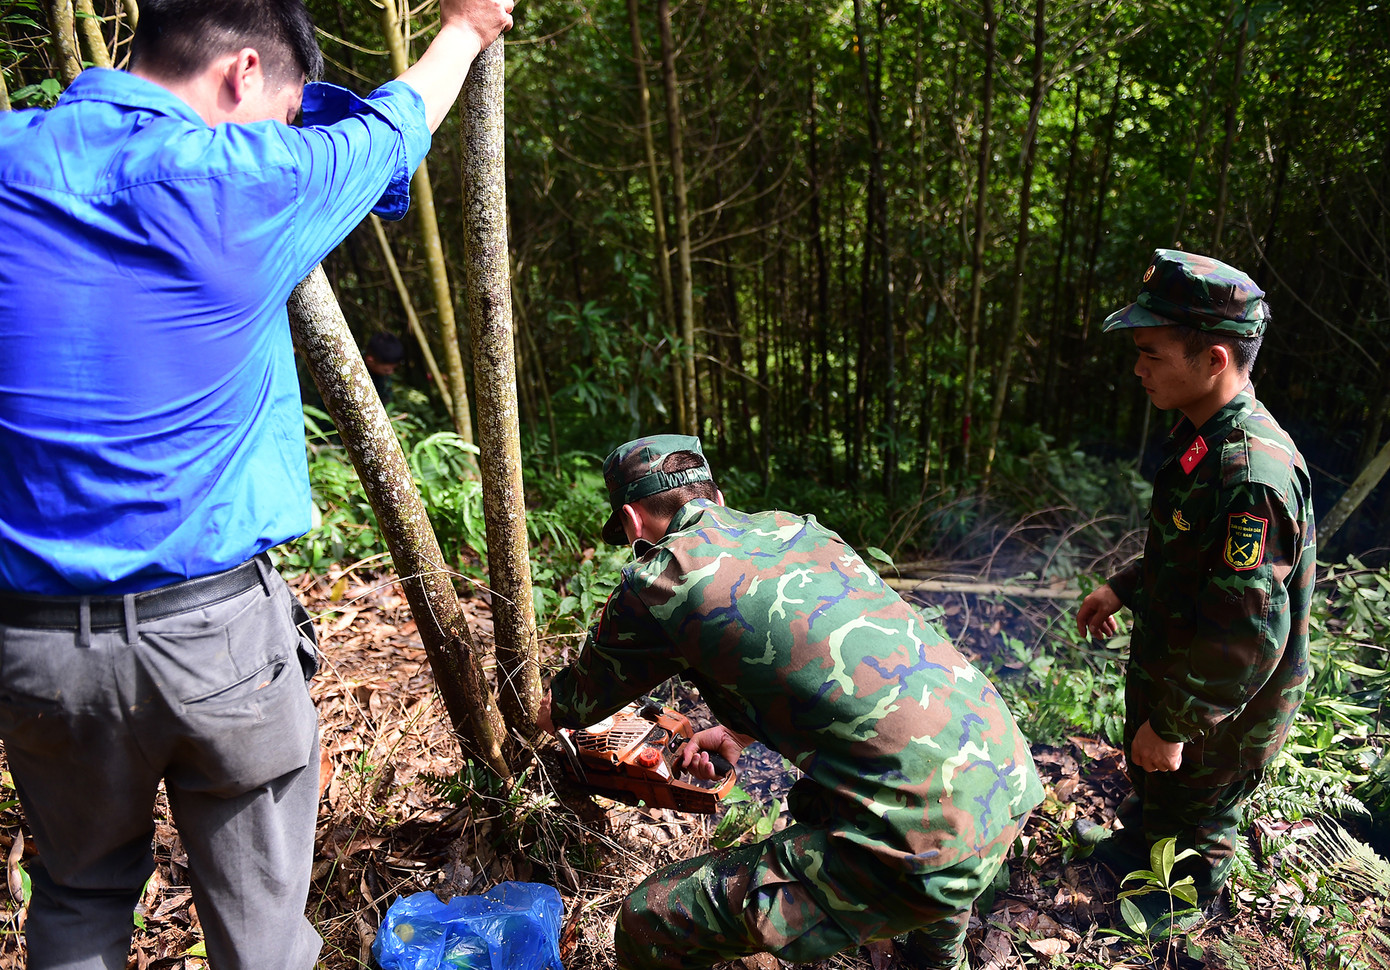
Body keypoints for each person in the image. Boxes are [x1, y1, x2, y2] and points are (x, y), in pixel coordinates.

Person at [0, 1, 512, 967]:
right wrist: (466, 26)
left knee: (74, 894)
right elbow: (398, 124)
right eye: (282, 115)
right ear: (242, 73)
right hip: (216, 642)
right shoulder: (241, 182)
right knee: (264, 932)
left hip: (36, 652)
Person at [537, 435, 1043, 970]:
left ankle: (926, 899)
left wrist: (529, 710)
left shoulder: (660, 579)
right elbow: (815, 657)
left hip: (928, 834)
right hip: (1003, 775)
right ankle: (938, 955)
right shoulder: (796, 529)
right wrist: (733, 734)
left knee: (647, 917)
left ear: (633, 522)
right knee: (881, 804)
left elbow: (565, 706)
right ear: (719, 495)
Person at [1075, 249, 1316, 927]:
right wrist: (1124, 587)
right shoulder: (1205, 437)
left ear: (1213, 359)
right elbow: (1187, 550)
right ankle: (1142, 842)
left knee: (1198, 809)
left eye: (1151, 352)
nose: (1137, 367)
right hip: (1182, 674)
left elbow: (1245, 635)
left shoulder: (1251, 474)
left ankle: (1176, 905)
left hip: (1219, 713)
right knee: (1159, 789)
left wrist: (1174, 725)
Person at [365, 331, 407, 404]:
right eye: (386, 370)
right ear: (370, 361)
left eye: (393, 369)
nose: (391, 372)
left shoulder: (383, 378)